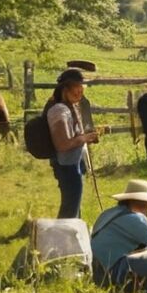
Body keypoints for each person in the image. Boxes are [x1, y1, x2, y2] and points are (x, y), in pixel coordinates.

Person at [90, 179, 147, 293]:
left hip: (94, 269)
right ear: (141, 203)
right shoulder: (136, 219)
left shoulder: (108, 213)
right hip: (109, 271)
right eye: (146, 206)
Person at [47, 67, 100, 219]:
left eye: (81, 88)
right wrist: (86, 138)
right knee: (69, 213)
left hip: (73, 165)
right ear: (65, 89)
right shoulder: (59, 110)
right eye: (77, 88)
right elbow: (62, 144)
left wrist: (86, 137)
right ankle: (60, 240)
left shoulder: (68, 108)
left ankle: (69, 239)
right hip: (67, 168)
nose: (80, 92)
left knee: (73, 210)